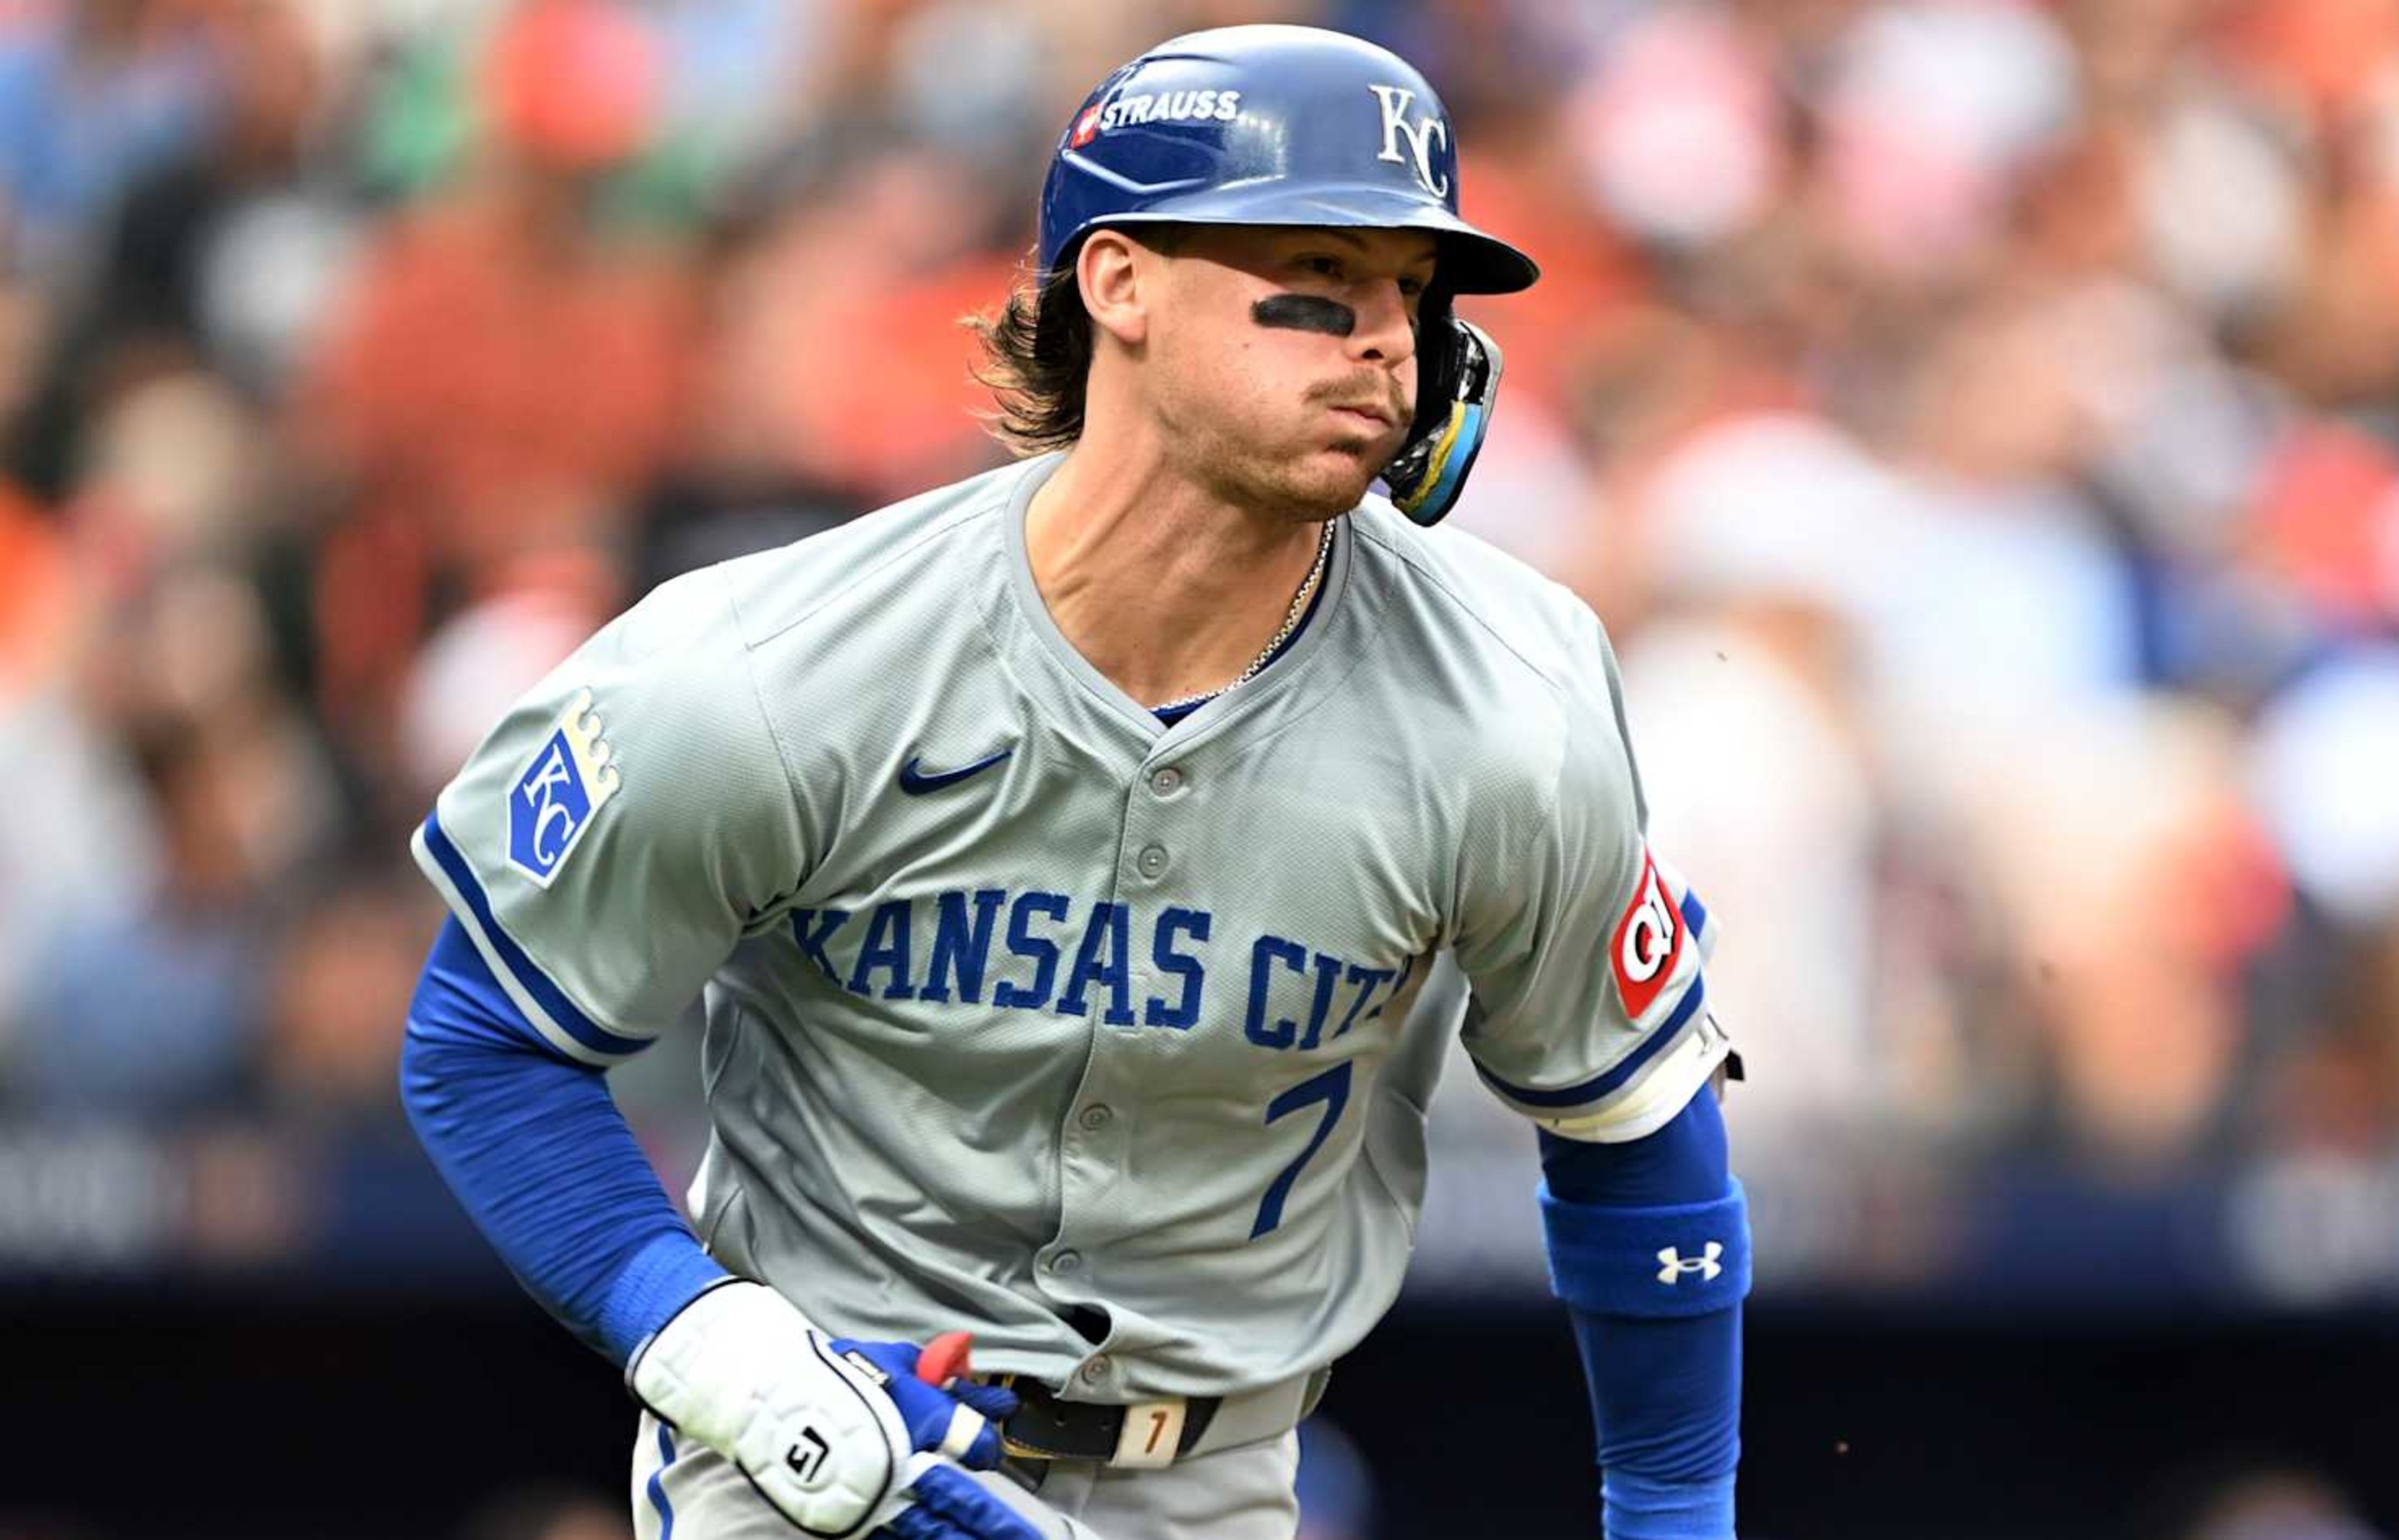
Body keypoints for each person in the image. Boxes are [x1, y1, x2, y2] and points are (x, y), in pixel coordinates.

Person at [399, 25, 1749, 1540]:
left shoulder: (1512, 695)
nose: (1387, 343)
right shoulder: (778, 665)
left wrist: (1675, 1514)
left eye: (1413, 299)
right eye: (1317, 277)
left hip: (1221, 1485)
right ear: (1117, 285)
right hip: (820, 1458)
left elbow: (1636, 1128)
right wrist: (711, 1344)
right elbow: (480, 1037)